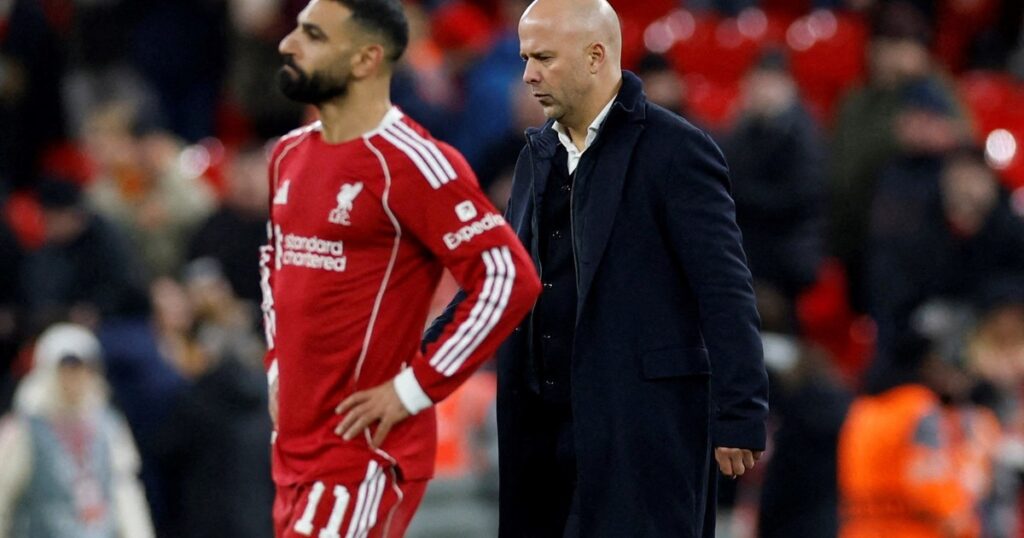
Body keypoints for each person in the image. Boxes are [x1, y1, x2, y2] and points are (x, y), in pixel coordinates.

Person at [426, 0, 769, 535]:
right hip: (542, 433)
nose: (527, 75)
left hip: (641, 427)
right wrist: (412, 367)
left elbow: (724, 289)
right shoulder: (534, 156)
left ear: (594, 56)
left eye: (543, 58)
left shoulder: (677, 151)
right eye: (524, 58)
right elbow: (499, 282)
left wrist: (742, 411)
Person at [263, 1, 541, 537]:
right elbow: (275, 264)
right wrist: (278, 366)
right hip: (296, 450)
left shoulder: (412, 162)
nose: (288, 44)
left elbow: (509, 277)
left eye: (313, 35)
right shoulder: (289, 154)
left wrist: (416, 387)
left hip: (364, 455)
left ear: (367, 59)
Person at [0, 323, 154, 538]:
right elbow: (3, 495)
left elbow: (124, 489)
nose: (74, 378)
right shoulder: (25, 426)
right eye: (67, 369)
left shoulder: (106, 424)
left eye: (82, 369)